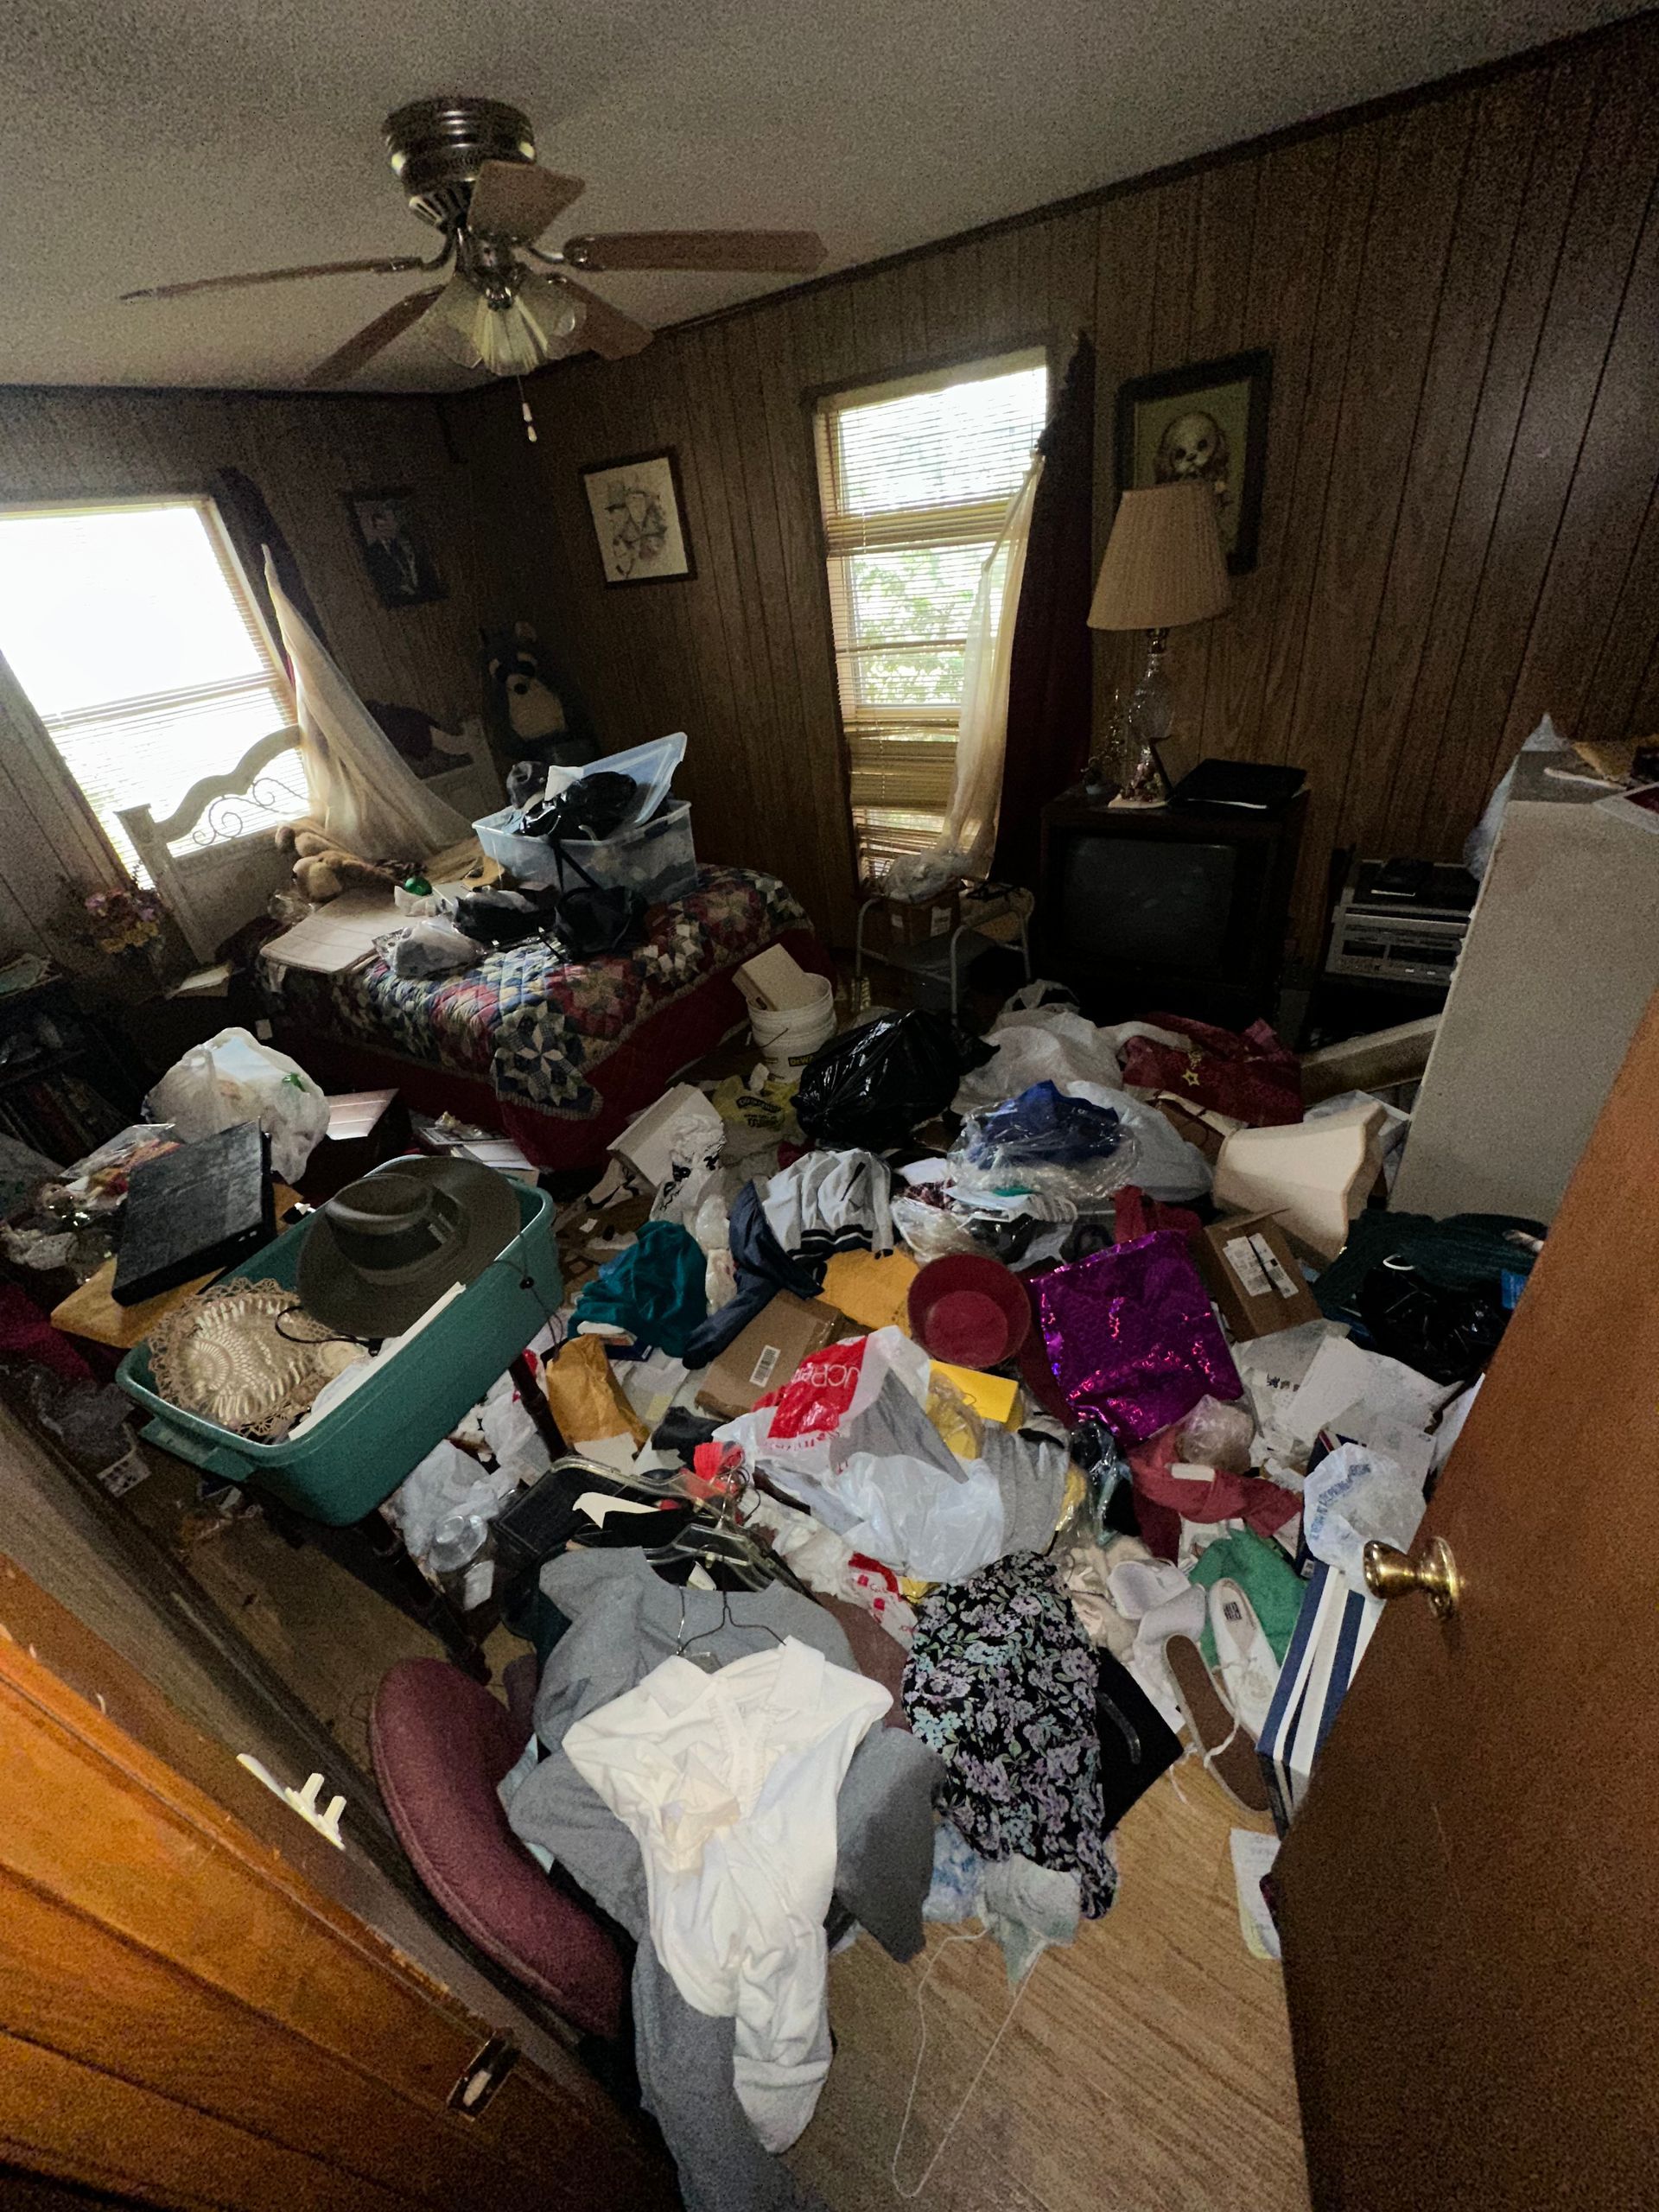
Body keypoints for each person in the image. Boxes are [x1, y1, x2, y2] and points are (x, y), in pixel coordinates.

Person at [358, 499, 441, 606]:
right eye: (381, 526)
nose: (385, 529)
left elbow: (407, 565)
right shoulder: (373, 550)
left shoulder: (397, 545)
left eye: (386, 526)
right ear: (376, 529)